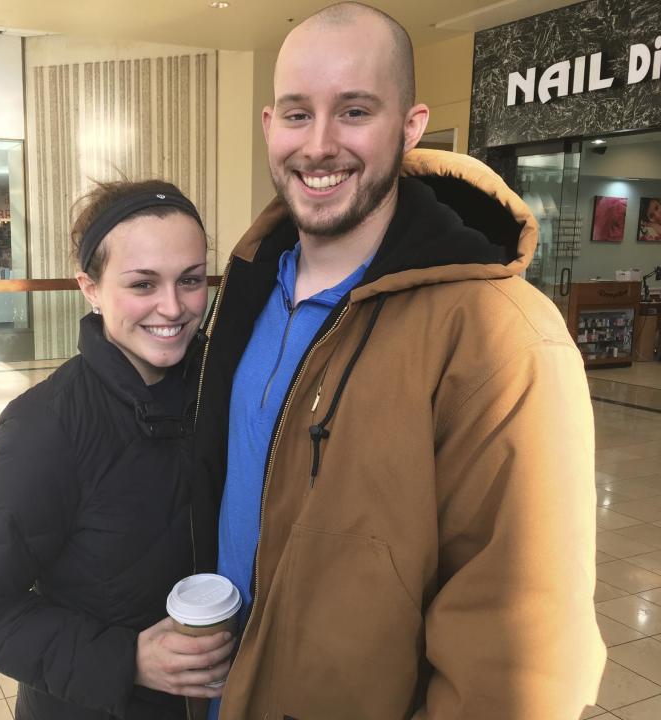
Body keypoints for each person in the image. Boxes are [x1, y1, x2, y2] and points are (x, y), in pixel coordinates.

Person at [192, 4, 606, 719]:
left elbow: (523, 662)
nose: (319, 145)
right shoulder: (252, 281)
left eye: (354, 110)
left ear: (410, 127)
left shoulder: (500, 334)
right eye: (297, 114)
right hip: (224, 693)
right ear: (268, 125)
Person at [0, 179, 234, 719]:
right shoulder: (44, 428)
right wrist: (127, 660)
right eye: (142, 284)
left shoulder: (226, 393)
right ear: (91, 287)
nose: (172, 308)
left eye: (191, 280)